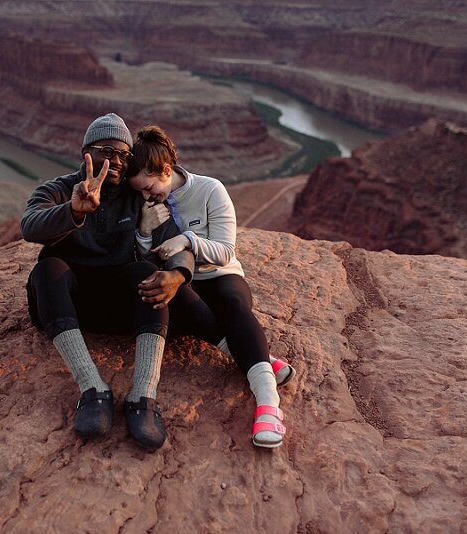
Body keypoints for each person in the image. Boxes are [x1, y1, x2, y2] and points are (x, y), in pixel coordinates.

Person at [21, 113, 195, 451]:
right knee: (47, 269)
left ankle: (143, 397)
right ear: (85, 151)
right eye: (106, 151)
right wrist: (74, 211)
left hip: (117, 310)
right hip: (65, 308)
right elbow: (30, 225)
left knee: (147, 271)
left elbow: (177, 242)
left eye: (124, 155)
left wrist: (177, 275)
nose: (116, 161)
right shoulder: (58, 189)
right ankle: (92, 390)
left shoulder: (137, 197)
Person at [126, 125, 293, 448]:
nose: (145, 197)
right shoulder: (145, 205)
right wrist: (145, 230)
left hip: (220, 276)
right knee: (174, 302)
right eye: (140, 193)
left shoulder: (210, 190)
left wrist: (187, 239)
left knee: (234, 305)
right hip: (181, 285)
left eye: (148, 187)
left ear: (164, 169)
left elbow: (224, 250)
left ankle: (268, 405)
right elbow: (141, 259)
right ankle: (259, 359)